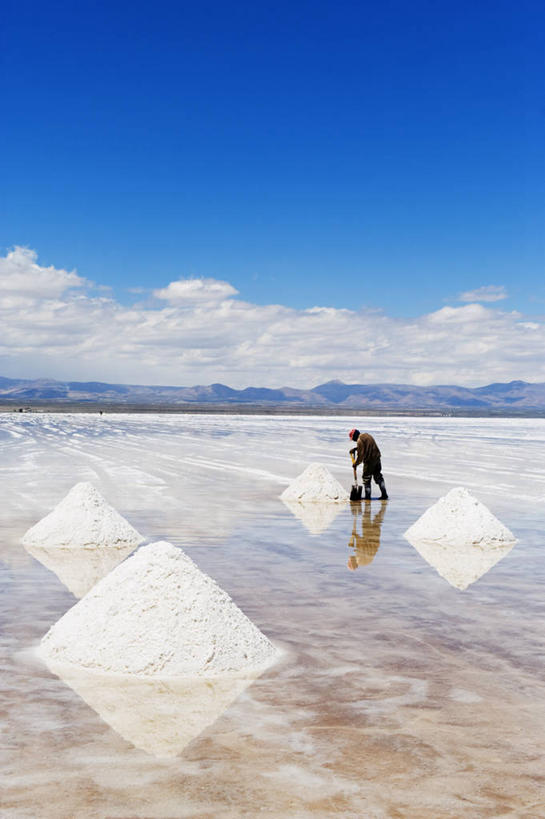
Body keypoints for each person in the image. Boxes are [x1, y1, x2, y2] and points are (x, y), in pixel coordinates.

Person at [348, 428, 388, 500]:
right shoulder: (366, 435)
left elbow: (361, 456)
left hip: (369, 461)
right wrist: (356, 449)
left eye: (353, 438)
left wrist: (355, 464)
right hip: (377, 458)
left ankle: (367, 497)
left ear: (354, 436)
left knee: (366, 479)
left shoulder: (359, 441)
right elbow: (367, 446)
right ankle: (384, 495)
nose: (353, 440)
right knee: (378, 476)